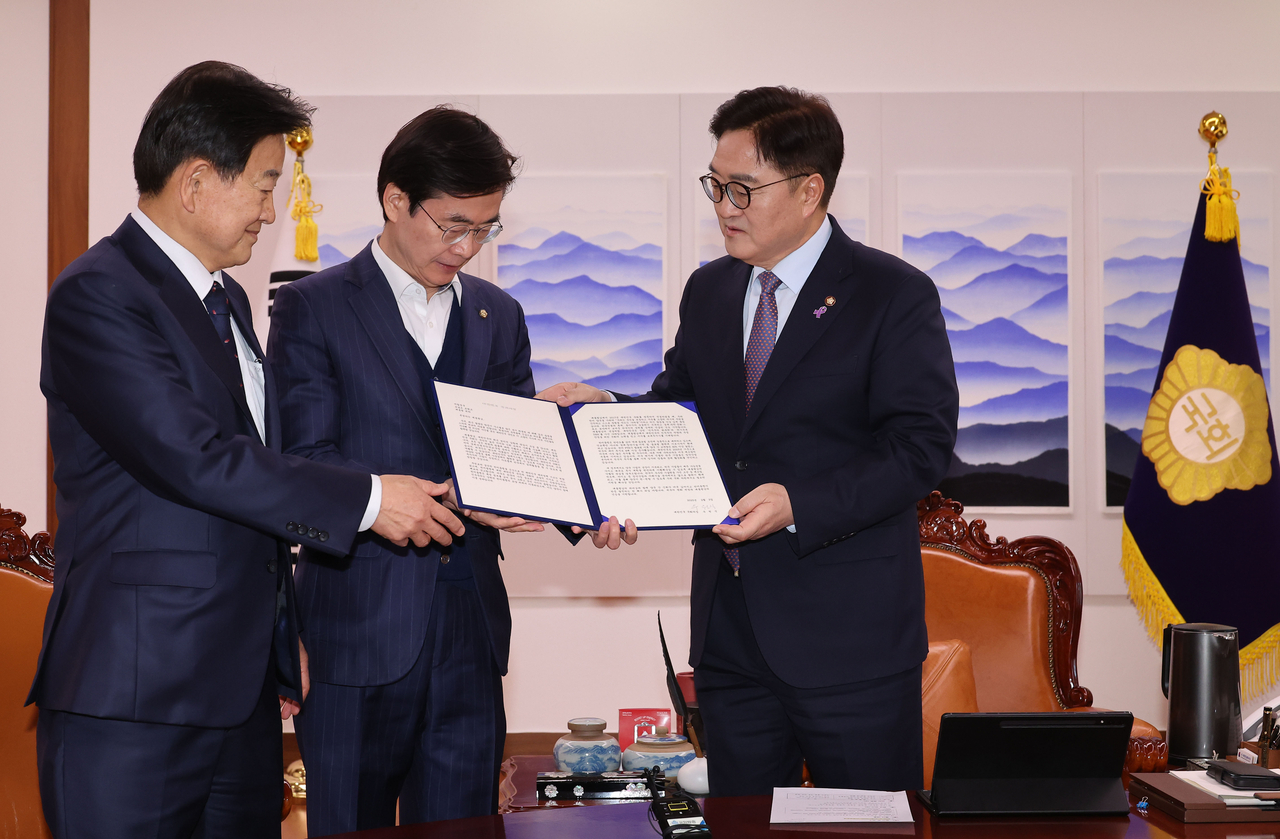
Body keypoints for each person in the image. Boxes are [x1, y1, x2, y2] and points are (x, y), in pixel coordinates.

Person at [31, 61, 462, 839]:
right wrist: (371, 499)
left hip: (240, 697)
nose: (271, 211)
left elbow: (255, 468)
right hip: (135, 697)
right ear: (197, 182)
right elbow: (197, 458)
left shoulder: (224, 298)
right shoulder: (100, 293)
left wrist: (280, 633)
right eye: (264, 185)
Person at [540, 87, 959, 795]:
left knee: (864, 826)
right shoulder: (709, 291)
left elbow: (920, 447)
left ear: (809, 190)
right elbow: (682, 412)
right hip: (729, 636)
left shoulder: (892, 294)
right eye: (715, 185)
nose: (724, 206)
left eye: (743, 189)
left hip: (848, 640)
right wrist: (605, 412)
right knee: (739, 824)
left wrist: (799, 503)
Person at [267, 106, 541, 834]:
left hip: (471, 626)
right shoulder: (312, 307)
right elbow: (301, 459)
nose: (467, 247)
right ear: (395, 200)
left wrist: (564, 485)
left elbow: (516, 451)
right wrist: (379, 499)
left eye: (485, 229)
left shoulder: (500, 315)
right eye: (453, 225)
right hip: (356, 621)